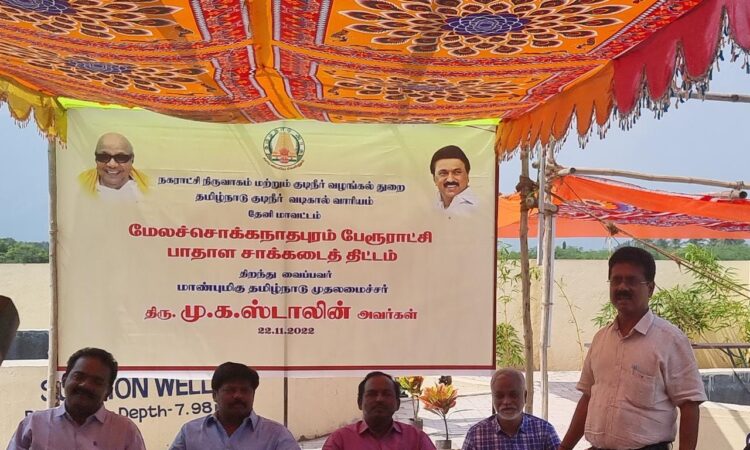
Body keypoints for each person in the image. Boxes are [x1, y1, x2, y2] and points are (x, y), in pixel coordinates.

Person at [559, 246, 707, 450]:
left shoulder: (671, 340)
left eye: (632, 281)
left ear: (650, 288)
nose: (622, 287)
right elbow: (588, 397)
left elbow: (689, 405)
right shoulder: (601, 339)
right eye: (616, 280)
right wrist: (564, 448)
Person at [7, 347, 146, 450]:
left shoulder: (125, 431)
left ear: (108, 391)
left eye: (97, 381)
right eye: (78, 376)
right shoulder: (34, 424)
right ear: (64, 380)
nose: (85, 385)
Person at [169, 362, 299, 450]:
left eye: (245, 390)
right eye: (230, 390)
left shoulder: (276, 435)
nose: (238, 396)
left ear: (253, 395)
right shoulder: (190, 432)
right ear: (214, 395)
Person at [323, 371, 435, 450]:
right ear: (359, 402)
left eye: (386, 394)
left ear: (398, 404)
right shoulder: (340, 440)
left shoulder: (417, 439)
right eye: (372, 394)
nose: (379, 399)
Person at [462, 368, 560, 450]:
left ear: (525, 396)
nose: (506, 402)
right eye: (499, 396)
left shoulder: (544, 431)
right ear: (492, 398)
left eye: (513, 395)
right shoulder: (476, 435)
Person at [78, 132, 149, 200]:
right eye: (104, 156)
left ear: (132, 159)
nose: (112, 164)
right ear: (96, 158)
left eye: (121, 157)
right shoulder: (79, 185)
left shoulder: (148, 187)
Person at [430, 145, 477, 215]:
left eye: (457, 172)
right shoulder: (430, 207)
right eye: (443, 173)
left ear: (467, 175)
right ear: (434, 178)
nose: (450, 180)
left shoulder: (480, 208)